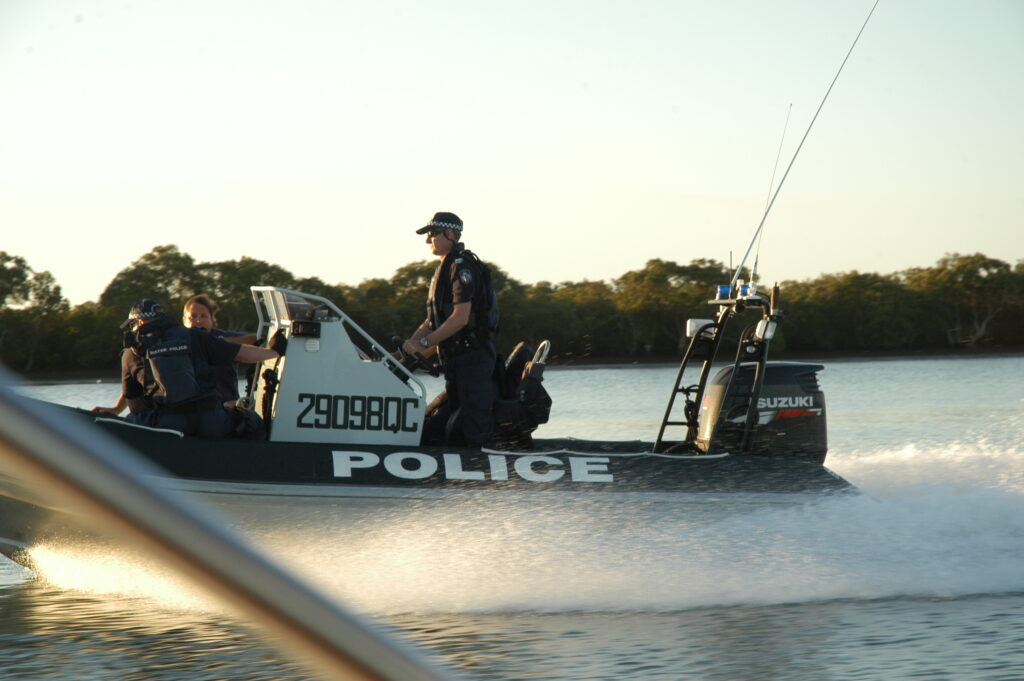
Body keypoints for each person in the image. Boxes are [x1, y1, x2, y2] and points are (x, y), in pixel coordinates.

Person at [92, 299, 278, 438]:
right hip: (211, 422)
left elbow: (134, 404)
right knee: (252, 421)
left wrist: (117, 411)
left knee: (133, 420)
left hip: (169, 425)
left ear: (138, 323)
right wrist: (276, 352)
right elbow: (242, 353)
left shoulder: (130, 353)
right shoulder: (194, 336)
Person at [402, 212, 500, 448]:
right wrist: (405, 351)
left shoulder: (461, 267)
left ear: (450, 234)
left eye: (432, 234)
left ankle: (482, 462)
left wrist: (424, 345)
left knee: (474, 426)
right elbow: (430, 323)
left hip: (473, 360)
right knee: (438, 425)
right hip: (455, 361)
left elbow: (459, 319)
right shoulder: (444, 270)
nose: (428, 241)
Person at [182, 294, 256, 405]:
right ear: (184, 320)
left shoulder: (222, 337)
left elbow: (256, 339)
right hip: (190, 409)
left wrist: (221, 345)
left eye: (203, 316)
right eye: (192, 316)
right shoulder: (176, 340)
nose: (198, 320)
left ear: (212, 319)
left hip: (226, 407)